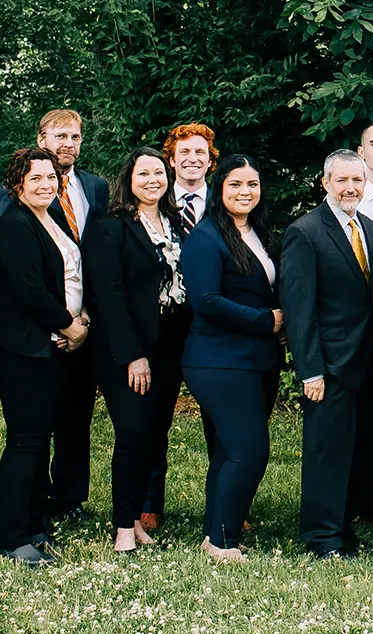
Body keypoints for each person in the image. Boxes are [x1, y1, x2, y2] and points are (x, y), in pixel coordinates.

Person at [0, 110, 108, 524]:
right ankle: (23, 520)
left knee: (64, 425)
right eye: (60, 136)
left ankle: (57, 508)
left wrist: (84, 321)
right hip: (33, 338)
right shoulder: (15, 213)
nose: (69, 144)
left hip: (70, 332)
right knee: (31, 437)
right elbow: (27, 282)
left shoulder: (79, 198)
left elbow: (81, 265)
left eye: (76, 136)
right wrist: (67, 324)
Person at [279, 150, 373, 560]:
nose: (350, 188)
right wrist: (310, 371)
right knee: (326, 453)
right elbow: (299, 310)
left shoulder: (371, 229)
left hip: (367, 364)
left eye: (356, 181)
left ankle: (343, 528)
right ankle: (321, 536)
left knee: (357, 451)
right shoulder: (305, 232)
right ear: (325, 183)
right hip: (328, 365)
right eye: (341, 181)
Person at [84, 147, 191, 553]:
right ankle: (123, 529)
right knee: (131, 432)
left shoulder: (176, 222)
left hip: (170, 345)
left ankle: (135, 519)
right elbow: (108, 296)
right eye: (143, 173)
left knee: (152, 433)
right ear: (129, 178)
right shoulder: (110, 226)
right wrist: (132, 354)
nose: (152, 180)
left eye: (159, 173)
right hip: (126, 348)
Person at [0, 147, 88, 567]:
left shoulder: (52, 217)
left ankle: (34, 524)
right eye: (36, 179)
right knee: (25, 441)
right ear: (17, 185)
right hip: (19, 348)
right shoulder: (13, 225)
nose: (46, 184)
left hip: (48, 344)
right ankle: (13, 537)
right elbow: (30, 291)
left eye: (51, 178)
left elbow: (68, 274)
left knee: (39, 439)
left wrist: (75, 323)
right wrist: (72, 326)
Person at [180, 155, 282, 563]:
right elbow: (205, 301)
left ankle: (214, 532)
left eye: (252, 185)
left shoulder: (259, 232)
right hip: (219, 358)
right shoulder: (206, 237)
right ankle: (224, 541)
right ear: (219, 190)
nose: (245, 192)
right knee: (249, 449)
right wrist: (266, 320)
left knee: (227, 450)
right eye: (236, 185)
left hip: (258, 359)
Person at [144, 122, 220, 530]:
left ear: (211, 161)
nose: (193, 160)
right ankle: (150, 502)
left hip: (213, 324)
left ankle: (225, 501)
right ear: (171, 160)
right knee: (156, 415)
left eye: (201, 154)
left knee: (219, 415)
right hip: (166, 325)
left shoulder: (224, 202)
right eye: (185, 154)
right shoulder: (155, 202)